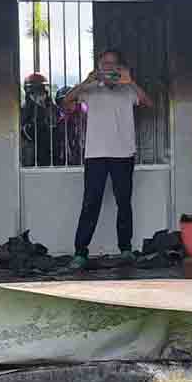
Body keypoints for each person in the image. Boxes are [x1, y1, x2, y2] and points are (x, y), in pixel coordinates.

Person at [62, 48, 153, 269]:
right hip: (96, 155)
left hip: (123, 154)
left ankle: (126, 249)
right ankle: (80, 252)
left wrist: (131, 81)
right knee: (90, 203)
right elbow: (67, 103)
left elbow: (150, 104)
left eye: (113, 64)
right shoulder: (92, 89)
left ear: (120, 67)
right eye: (105, 64)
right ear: (99, 66)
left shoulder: (128, 89)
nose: (109, 68)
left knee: (124, 203)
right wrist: (86, 81)